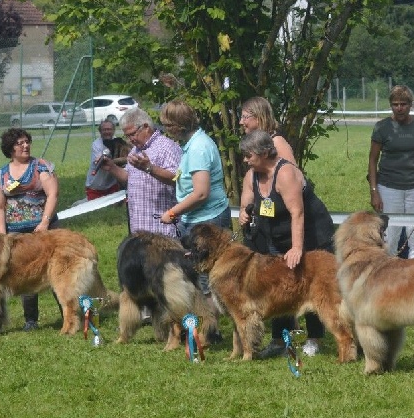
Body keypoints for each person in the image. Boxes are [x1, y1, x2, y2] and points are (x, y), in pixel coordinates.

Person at [238, 130, 335, 359]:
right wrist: (244, 213)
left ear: (263, 153)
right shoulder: (252, 174)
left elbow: (297, 213)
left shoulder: (285, 173)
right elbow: (247, 199)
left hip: (309, 235)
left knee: (309, 285)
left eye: (248, 155)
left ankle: (314, 338)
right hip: (276, 237)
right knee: (278, 287)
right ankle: (281, 339)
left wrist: (297, 248)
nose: (245, 160)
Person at [158, 100, 231, 343]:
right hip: (196, 219)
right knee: (202, 279)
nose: (166, 129)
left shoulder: (199, 147)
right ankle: (210, 330)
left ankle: (211, 332)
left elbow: (201, 192)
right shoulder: (191, 144)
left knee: (208, 280)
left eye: (168, 125)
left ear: (178, 125)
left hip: (207, 220)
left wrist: (173, 212)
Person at [0, 128, 60, 331]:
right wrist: (3, 234)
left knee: (56, 273)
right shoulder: (1, 175)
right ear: (10, 148)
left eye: (27, 142)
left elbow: (53, 194)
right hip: (17, 235)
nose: (25, 146)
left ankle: (70, 313)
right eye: (19, 143)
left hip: (45, 232)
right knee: (26, 275)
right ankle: (31, 320)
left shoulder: (41, 167)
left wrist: (45, 222)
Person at [368, 85, 414, 259]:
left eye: (403, 104)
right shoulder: (382, 127)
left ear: (410, 105)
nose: (399, 108)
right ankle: (387, 274)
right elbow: (372, 160)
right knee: (390, 234)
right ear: (391, 105)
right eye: (395, 104)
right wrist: (374, 192)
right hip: (389, 187)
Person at [101, 107, 181, 237]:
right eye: (127, 136)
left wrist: (150, 168)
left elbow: (176, 179)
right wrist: (111, 167)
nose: (130, 140)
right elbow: (128, 177)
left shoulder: (167, 147)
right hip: (139, 228)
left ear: (146, 127)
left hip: (161, 229)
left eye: (132, 134)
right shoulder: (135, 150)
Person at [239, 96, 296, 164]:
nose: (241, 122)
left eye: (245, 117)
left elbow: (291, 172)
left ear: (259, 118)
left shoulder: (277, 142)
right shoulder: (257, 142)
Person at [85, 120, 122, 200]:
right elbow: (102, 163)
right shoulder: (96, 145)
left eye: (109, 129)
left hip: (112, 185)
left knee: (115, 206)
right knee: (93, 207)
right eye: (104, 129)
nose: (107, 132)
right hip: (96, 186)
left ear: (114, 130)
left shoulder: (119, 142)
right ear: (100, 131)